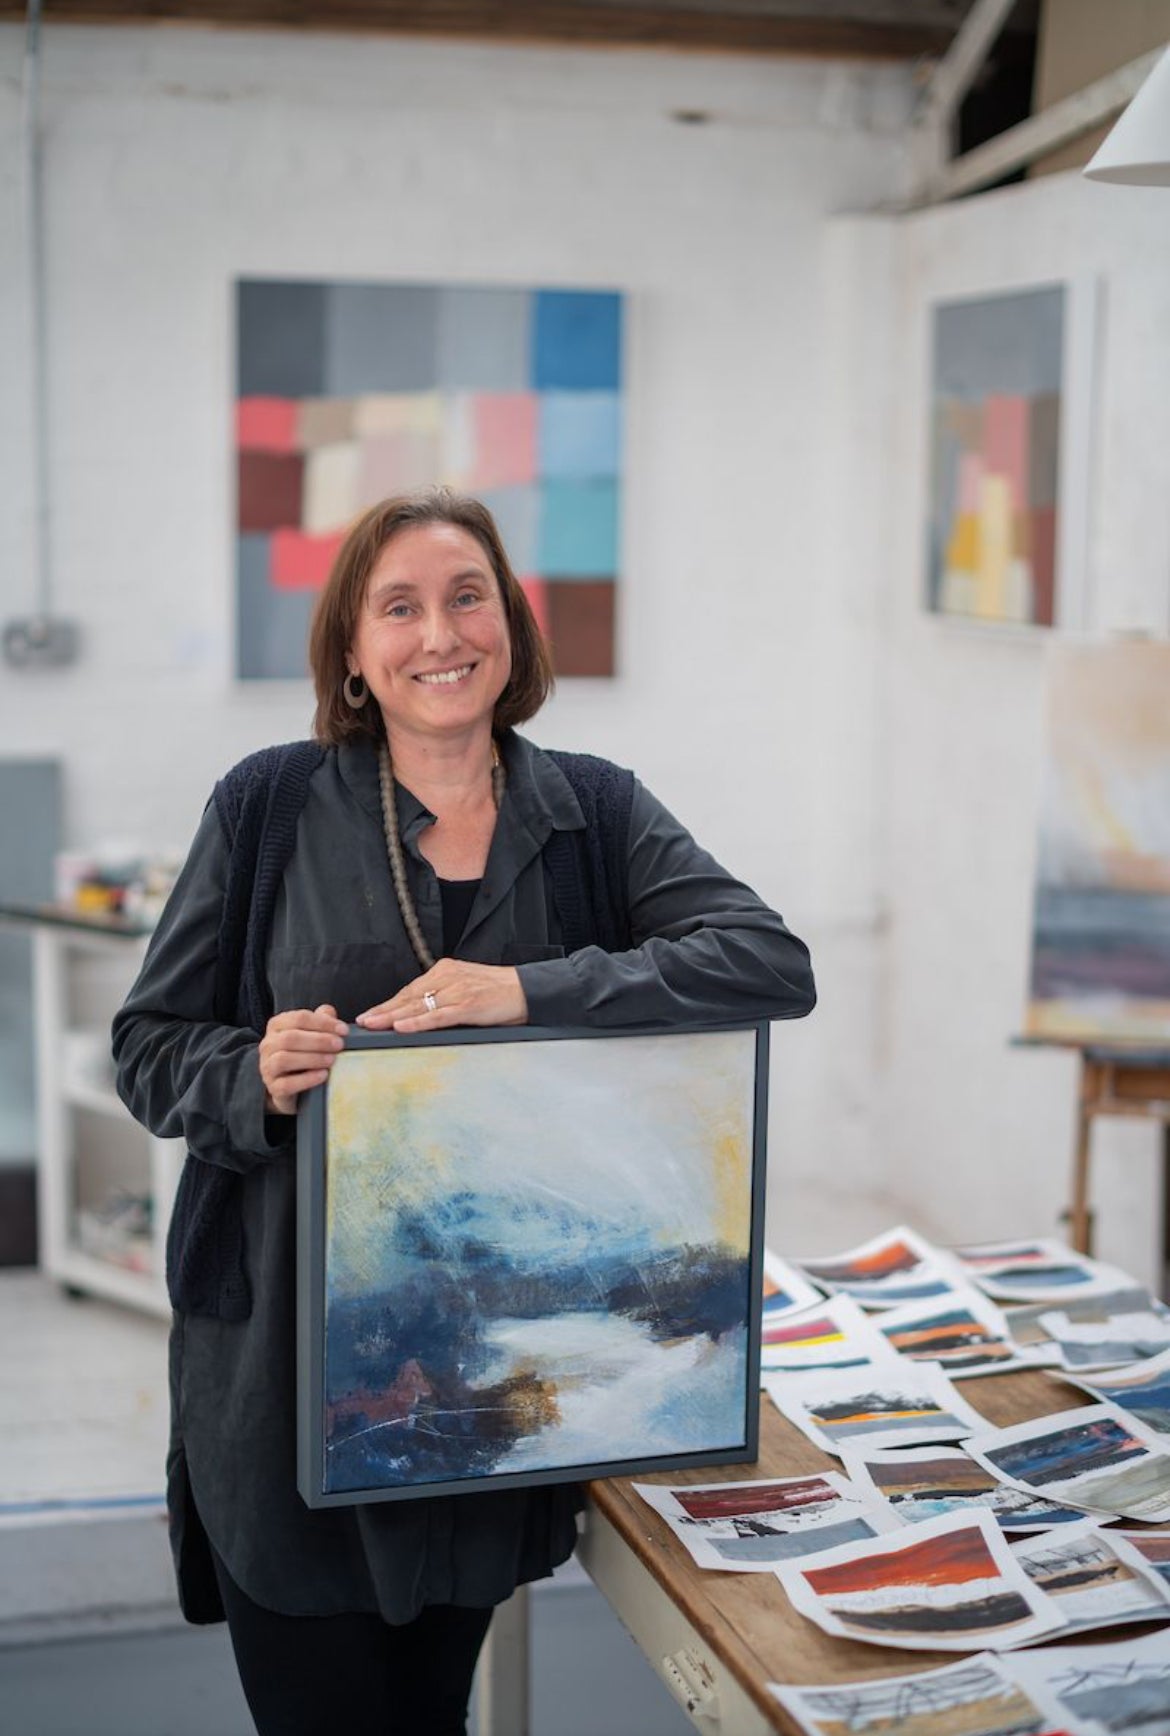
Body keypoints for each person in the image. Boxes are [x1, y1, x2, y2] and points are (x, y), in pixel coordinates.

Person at [112, 487, 816, 1736]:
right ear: (353, 650)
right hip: (285, 1393)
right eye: (400, 606)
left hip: (496, 1401)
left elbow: (767, 960)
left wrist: (532, 989)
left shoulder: (593, 810)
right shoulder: (267, 806)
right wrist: (250, 1072)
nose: (440, 633)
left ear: (510, 623)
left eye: (467, 596)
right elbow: (148, 1046)